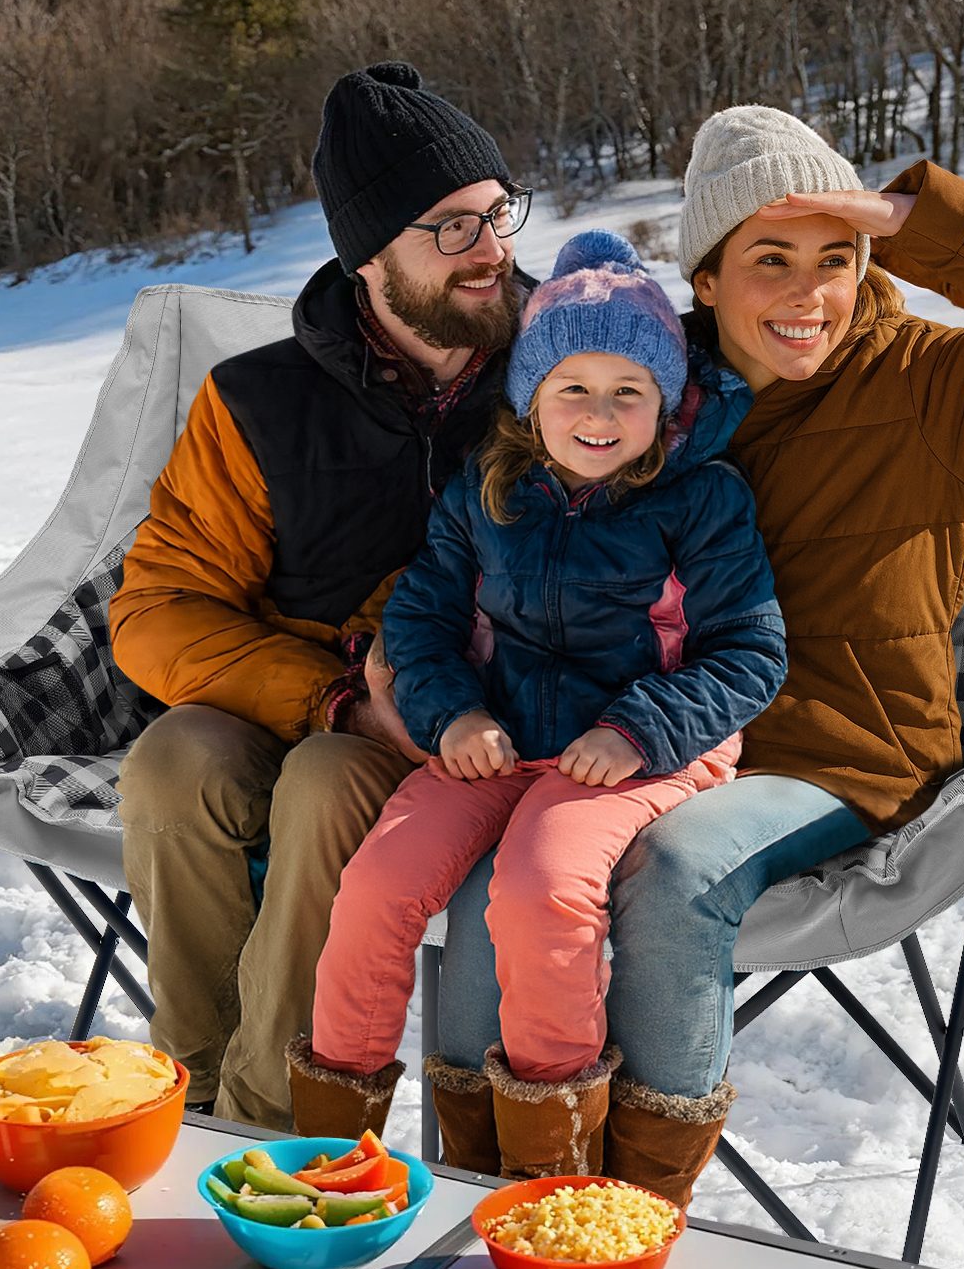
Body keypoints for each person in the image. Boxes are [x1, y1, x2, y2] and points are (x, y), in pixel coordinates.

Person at [430, 106, 964, 1205]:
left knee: (678, 872)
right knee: (496, 882)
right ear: (710, 279)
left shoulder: (927, 388)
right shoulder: (644, 386)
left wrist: (911, 218)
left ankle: (633, 1210)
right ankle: (476, 1194)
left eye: (837, 258)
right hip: (640, 743)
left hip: (833, 758)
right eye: (769, 259)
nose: (808, 293)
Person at [288, 232, 786, 1174]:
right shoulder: (490, 489)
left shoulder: (703, 500)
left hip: (645, 749)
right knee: (377, 885)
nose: (599, 414)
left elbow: (751, 655)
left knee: (538, 890)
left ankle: (548, 1167)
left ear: (665, 403)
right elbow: (423, 617)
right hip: (496, 739)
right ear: (531, 397)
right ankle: (329, 1151)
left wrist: (638, 728)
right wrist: (451, 716)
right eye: (573, 388)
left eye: (628, 392)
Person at [110, 62, 535, 1132]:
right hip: (312, 696)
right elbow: (157, 607)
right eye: (449, 228)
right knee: (174, 761)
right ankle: (190, 1096)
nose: (490, 251)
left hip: (478, 707)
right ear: (365, 258)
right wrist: (333, 693)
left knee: (321, 784)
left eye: (495, 214)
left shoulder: (567, 365)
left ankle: (278, 1131)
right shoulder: (258, 401)